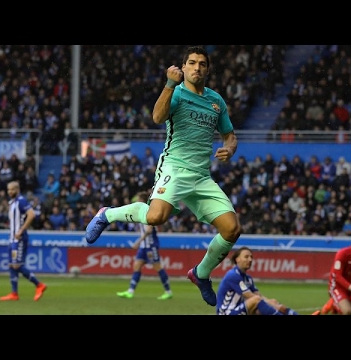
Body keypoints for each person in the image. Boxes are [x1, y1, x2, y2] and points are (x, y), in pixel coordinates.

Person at [85, 45, 241, 307]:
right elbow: (157, 116)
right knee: (156, 216)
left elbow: (230, 135)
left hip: (201, 176)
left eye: (202, 63)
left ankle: (201, 274)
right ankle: (106, 214)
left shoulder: (217, 101)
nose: (197, 67)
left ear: (208, 68)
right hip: (174, 168)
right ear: (184, 66)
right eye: (192, 63)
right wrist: (169, 84)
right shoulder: (177, 93)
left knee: (232, 229)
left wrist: (230, 149)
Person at [116, 192, 173, 300]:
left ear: (142, 200)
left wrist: (138, 242)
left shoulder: (148, 211)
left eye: (138, 199)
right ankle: (130, 291)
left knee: (158, 267)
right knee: (137, 266)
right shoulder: (142, 211)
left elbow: (148, 230)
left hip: (150, 245)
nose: (136, 201)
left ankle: (168, 291)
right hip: (144, 246)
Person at [0, 181, 47, 301]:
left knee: (16, 265)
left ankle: (39, 285)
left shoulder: (21, 201)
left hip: (19, 239)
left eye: (12, 189)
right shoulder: (12, 203)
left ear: (17, 189)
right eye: (8, 189)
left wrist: (21, 230)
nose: (10, 191)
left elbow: (31, 215)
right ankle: (14, 293)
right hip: (12, 239)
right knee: (12, 264)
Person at [216, 246, 298, 315]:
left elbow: (259, 295)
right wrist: (270, 304)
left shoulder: (248, 278)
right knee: (257, 300)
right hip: (226, 312)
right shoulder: (233, 275)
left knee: (271, 303)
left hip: (238, 310)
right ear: (237, 259)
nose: (250, 259)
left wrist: (273, 303)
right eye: (246, 257)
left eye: (251, 257)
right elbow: (252, 297)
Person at [312, 229, 351, 315]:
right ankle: (334, 304)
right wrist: (350, 286)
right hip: (337, 287)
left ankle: (342, 303)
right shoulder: (343, 253)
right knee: (347, 311)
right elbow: (337, 275)